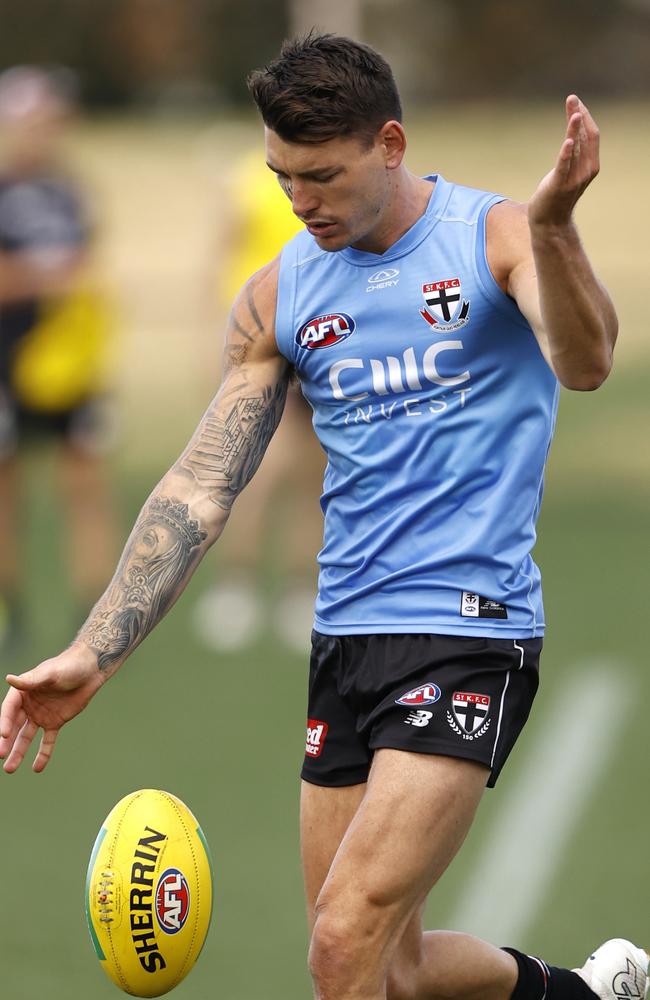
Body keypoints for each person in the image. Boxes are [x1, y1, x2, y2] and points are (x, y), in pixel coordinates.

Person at [0, 34, 646, 1000]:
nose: (300, 201)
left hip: (467, 631)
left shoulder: (497, 237)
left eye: (320, 176)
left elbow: (586, 362)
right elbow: (198, 487)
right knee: (395, 971)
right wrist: (95, 649)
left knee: (341, 950)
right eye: (282, 177)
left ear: (389, 144)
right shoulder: (278, 296)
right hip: (346, 640)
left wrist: (555, 229)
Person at [0, 65, 117, 651]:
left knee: (87, 485)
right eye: (33, 120)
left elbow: (91, 265)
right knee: (8, 489)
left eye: (51, 121)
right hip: (8, 360)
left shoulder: (71, 190)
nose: (43, 132)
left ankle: (94, 616)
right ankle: (10, 609)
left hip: (73, 365)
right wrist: (47, 277)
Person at [193, 148, 324, 653]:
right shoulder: (249, 176)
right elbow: (220, 259)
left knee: (313, 475)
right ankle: (237, 586)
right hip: (264, 338)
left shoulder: (328, 169)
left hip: (321, 334)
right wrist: (214, 341)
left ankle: (300, 590)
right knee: (257, 471)